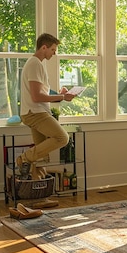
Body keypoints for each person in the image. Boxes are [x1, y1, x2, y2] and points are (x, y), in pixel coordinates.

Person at [17, 33, 76, 180]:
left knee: (41, 157)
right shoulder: (35, 64)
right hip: (35, 113)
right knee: (62, 137)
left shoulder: (37, 64)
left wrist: (60, 94)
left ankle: (39, 194)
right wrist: (62, 97)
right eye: (53, 49)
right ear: (44, 47)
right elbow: (36, 97)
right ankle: (24, 158)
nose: (54, 53)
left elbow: (42, 92)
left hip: (36, 111)